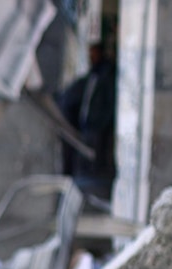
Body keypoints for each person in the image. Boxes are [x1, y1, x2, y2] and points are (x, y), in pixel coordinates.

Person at [59, 42, 117, 204]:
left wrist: (99, 122)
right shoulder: (93, 75)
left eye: (93, 53)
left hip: (97, 126)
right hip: (89, 125)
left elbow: (105, 102)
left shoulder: (105, 75)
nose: (91, 57)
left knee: (95, 160)